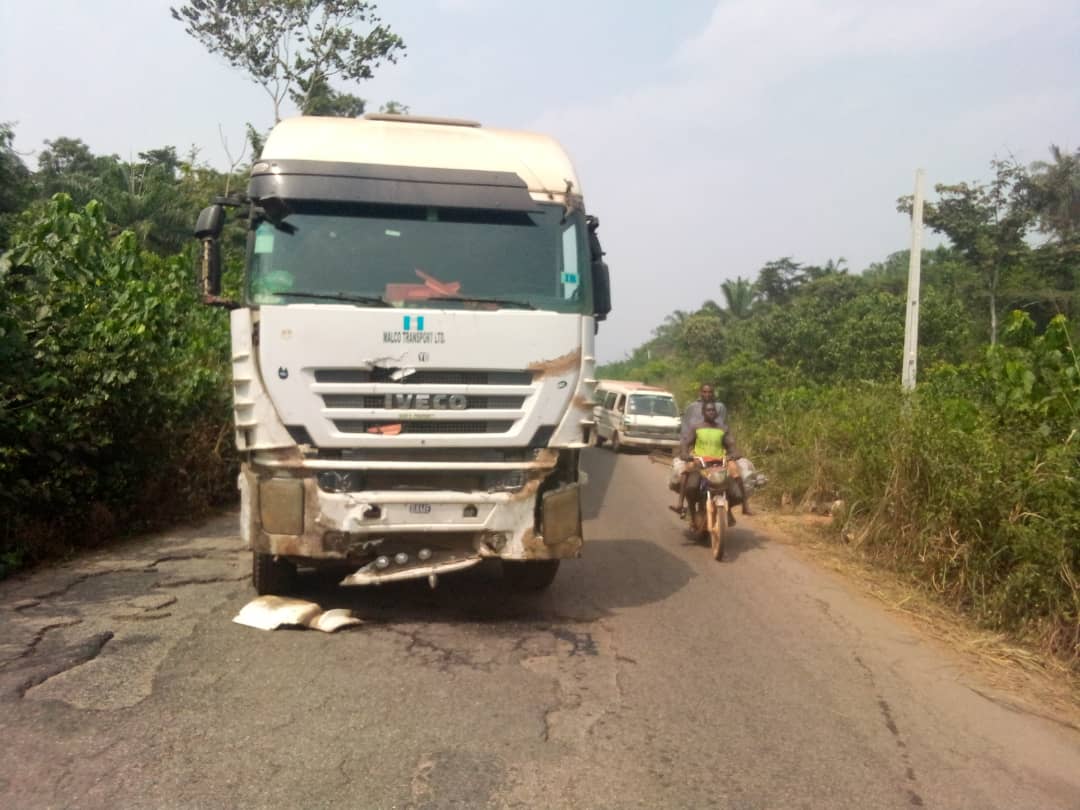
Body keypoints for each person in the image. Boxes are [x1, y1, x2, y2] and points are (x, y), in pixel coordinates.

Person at [670, 401, 752, 525]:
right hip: (700, 461)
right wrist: (685, 453)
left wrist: (735, 453)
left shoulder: (722, 428)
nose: (711, 412)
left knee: (736, 473)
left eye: (713, 410)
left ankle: (745, 505)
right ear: (703, 412)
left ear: (716, 413)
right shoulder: (697, 427)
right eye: (708, 410)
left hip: (719, 461)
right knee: (687, 473)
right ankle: (680, 503)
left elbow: (731, 445)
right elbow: (686, 443)